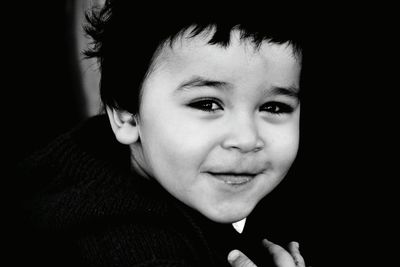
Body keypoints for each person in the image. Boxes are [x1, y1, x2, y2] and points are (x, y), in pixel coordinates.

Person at [17, 1, 310, 266]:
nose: (247, 139)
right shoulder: (138, 250)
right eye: (207, 104)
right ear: (127, 116)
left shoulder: (102, 162)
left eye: (274, 107)